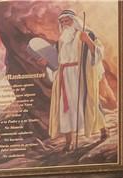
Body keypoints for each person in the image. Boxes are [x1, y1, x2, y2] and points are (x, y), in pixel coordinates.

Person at [48, 9, 108, 151]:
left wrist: (88, 41)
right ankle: (69, 141)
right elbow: (56, 61)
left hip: (80, 74)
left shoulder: (86, 34)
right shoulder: (61, 40)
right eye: (62, 22)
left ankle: (104, 130)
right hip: (64, 76)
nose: (64, 24)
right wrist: (46, 64)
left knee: (88, 103)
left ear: (74, 20)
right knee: (65, 108)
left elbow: (99, 53)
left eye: (66, 20)